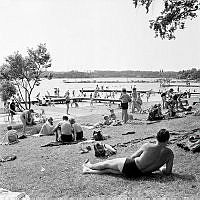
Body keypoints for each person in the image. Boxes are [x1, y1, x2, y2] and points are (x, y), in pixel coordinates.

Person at [82, 129, 174, 177]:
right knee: (109, 170)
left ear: (156, 137)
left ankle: (89, 166)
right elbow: (168, 172)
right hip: (138, 174)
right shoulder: (169, 154)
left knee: (106, 164)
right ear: (167, 140)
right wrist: (160, 168)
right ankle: (88, 171)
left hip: (130, 166)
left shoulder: (148, 146)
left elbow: (133, 156)